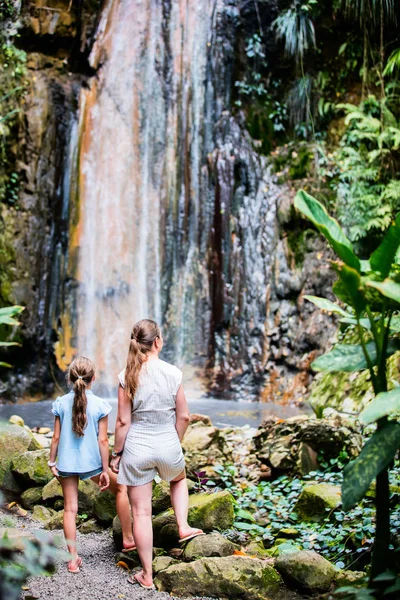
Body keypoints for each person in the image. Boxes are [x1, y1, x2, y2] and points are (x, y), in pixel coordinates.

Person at [110, 319, 204, 590]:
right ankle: (183, 526)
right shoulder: (173, 373)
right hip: (167, 441)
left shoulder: (126, 375)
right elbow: (184, 416)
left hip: (137, 447)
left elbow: (122, 422)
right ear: (158, 342)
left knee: (141, 512)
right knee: (178, 479)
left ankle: (147, 574)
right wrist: (174, 442)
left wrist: (117, 454)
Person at [48, 356, 135, 573]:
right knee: (122, 488)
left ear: (69, 378)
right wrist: (105, 470)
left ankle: (72, 559)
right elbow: (103, 440)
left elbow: (56, 438)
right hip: (92, 464)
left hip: (67, 463)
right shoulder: (101, 405)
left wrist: (52, 462)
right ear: (94, 378)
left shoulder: (60, 403)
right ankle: (128, 538)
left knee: (70, 509)